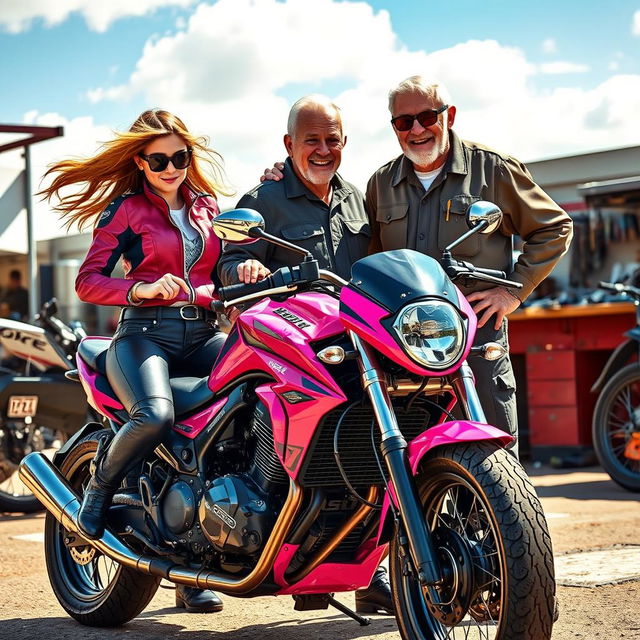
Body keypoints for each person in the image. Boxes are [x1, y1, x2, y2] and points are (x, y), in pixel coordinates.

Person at [259, 78, 573, 453]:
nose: (417, 129)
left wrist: (512, 291)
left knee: (494, 456)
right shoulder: (381, 183)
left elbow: (554, 228)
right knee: (407, 459)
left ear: (449, 116)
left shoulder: (492, 169)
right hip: (401, 348)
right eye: (404, 122)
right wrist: (286, 175)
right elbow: (366, 260)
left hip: (473, 338)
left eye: (427, 117)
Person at [40, 109, 229, 614]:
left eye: (179, 157)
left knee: (251, 402)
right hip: (144, 336)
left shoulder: (209, 207)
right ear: (141, 163)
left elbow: (230, 269)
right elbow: (88, 280)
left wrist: (228, 281)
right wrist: (140, 288)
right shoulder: (127, 211)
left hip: (205, 332)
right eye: (158, 159)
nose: (171, 167)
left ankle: (202, 557)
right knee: (156, 414)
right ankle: (98, 491)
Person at [218, 95, 394, 616]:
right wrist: (243, 272)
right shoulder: (265, 198)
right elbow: (228, 262)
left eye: (332, 139)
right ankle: (205, 554)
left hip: (352, 349)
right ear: (289, 144)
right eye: (311, 140)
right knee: (243, 444)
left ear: (344, 142)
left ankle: (368, 570)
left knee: (371, 453)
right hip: (281, 349)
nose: (322, 150)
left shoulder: (361, 200)